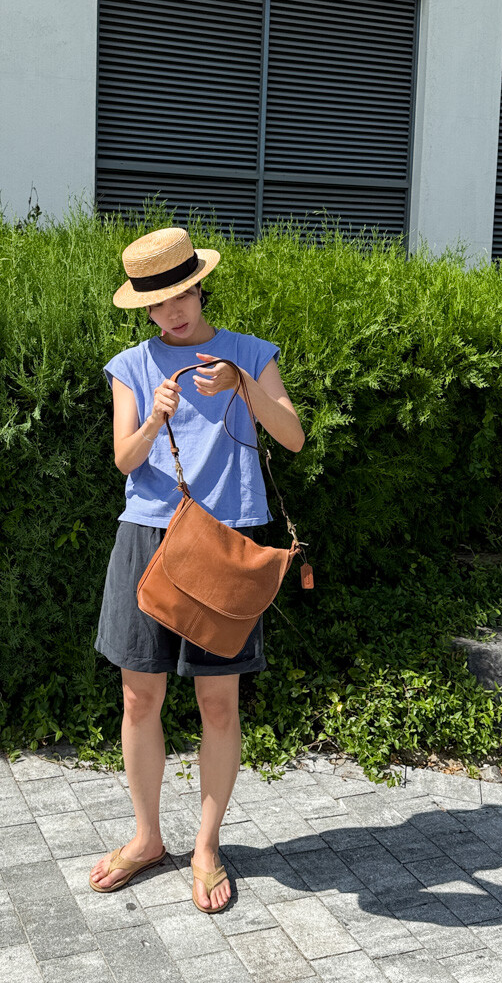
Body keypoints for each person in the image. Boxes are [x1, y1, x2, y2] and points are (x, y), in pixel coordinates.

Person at [88, 226, 305, 914]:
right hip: (148, 538)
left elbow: (293, 437)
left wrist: (244, 386)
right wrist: (154, 421)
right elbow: (124, 460)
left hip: (224, 541)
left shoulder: (250, 353)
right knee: (138, 698)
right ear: (144, 308)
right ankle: (147, 838)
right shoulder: (131, 365)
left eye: (180, 294)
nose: (171, 312)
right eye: (156, 303)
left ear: (200, 286)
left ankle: (207, 846)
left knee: (218, 702)